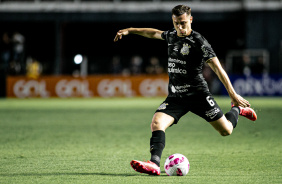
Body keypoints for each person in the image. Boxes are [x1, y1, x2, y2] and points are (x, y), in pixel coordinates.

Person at [114, 5, 257, 176]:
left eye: (183, 23)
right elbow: (153, 33)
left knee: (226, 131)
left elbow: (218, 68)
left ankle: (238, 109)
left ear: (191, 19)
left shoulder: (199, 41)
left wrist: (233, 95)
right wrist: (130, 31)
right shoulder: (172, 36)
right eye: (176, 24)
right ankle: (153, 163)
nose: (180, 28)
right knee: (156, 123)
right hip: (176, 96)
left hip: (198, 95)